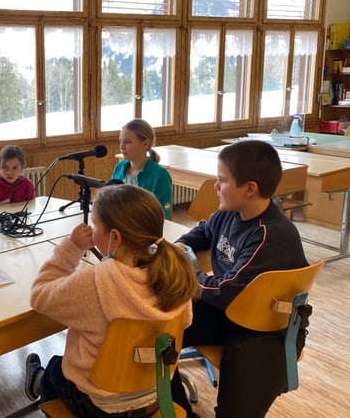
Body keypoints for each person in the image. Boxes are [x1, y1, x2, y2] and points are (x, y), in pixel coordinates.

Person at [24, 184, 198, 417]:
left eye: (95, 224)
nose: (92, 229)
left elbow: (39, 295)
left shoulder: (96, 282)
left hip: (99, 404)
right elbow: (184, 322)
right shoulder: (176, 276)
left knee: (55, 367)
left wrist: (72, 248)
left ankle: (40, 388)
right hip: (153, 394)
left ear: (115, 237)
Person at [170, 140, 310, 418]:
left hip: (266, 328)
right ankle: (180, 411)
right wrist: (179, 247)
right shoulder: (229, 213)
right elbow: (203, 232)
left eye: (222, 180)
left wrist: (184, 273)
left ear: (249, 189)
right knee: (156, 330)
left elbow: (226, 291)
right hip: (231, 310)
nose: (215, 186)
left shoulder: (270, 236)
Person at [111, 119, 173, 220]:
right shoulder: (120, 167)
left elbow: (162, 216)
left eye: (127, 142)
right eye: (120, 142)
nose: (121, 147)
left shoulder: (160, 176)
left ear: (145, 144)